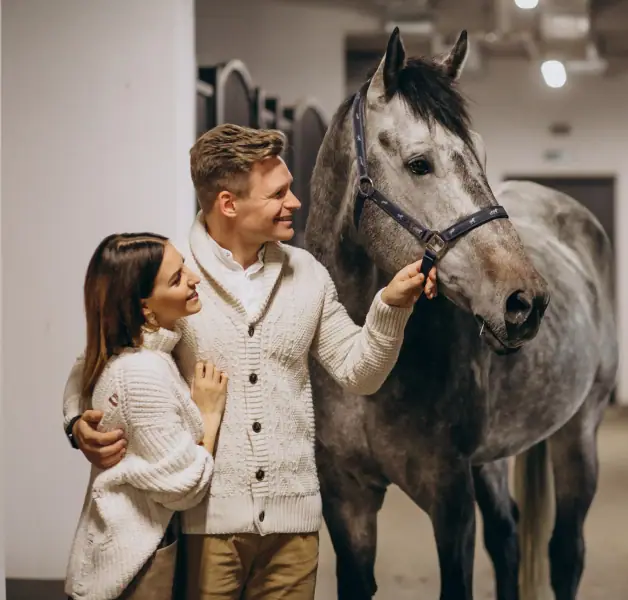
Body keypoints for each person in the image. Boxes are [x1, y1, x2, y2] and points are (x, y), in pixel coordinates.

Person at [61, 124, 437, 599]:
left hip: (294, 530)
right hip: (203, 527)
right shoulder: (175, 279)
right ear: (228, 204)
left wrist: (391, 304)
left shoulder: (308, 276)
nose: (294, 202)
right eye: (278, 194)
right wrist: (78, 422)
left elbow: (358, 373)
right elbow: (97, 360)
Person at [64, 233, 228, 600]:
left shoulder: (131, 355)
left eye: (183, 265)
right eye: (176, 278)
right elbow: (184, 487)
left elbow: (81, 368)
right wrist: (209, 414)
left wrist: (73, 423)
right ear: (145, 309)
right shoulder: (142, 373)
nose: (194, 277)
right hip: (135, 568)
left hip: (126, 554)